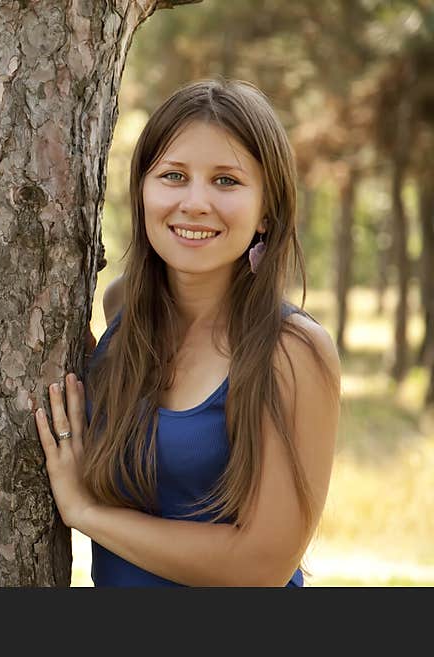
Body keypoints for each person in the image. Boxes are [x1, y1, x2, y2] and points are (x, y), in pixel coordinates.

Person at [33, 79, 341, 587]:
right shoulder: (123, 310)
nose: (195, 202)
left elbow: (261, 565)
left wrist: (86, 513)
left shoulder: (293, 351)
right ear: (144, 191)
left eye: (226, 181)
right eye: (174, 176)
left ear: (267, 210)